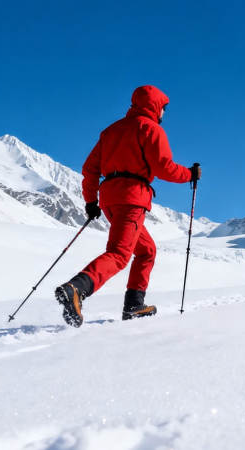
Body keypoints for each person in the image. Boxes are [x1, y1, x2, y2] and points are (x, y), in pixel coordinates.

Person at [55, 85, 201, 327]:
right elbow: (164, 167)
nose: (164, 114)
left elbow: (90, 169)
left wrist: (91, 201)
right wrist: (190, 175)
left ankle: (134, 305)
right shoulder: (150, 129)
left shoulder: (111, 131)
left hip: (110, 199)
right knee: (120, 254)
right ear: (156, 106)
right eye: (163, 109)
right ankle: (77, 288)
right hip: (132, 198)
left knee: (146, 250)